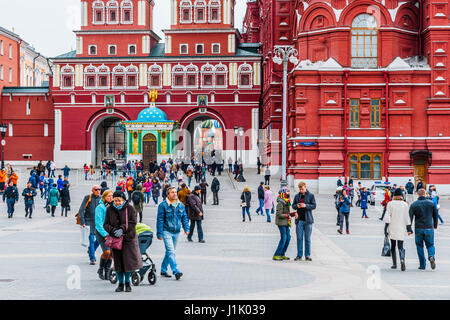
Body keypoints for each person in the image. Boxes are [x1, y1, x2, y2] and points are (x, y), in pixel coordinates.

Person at [104, 190, 142, 292]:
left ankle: (127, 283)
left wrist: (122, 229)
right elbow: (106, 224)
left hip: (128, 239)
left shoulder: (130, 208)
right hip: (115, 240)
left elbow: (133, 222)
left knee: (128, 263)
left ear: (124, 200)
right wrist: (113, 230)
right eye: (115, 200)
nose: (117, 202)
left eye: (119, 200)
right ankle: (120, 284)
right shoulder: (110, 209)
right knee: (118, 263)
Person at [156, 187, 190, 280]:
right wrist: (159, 233)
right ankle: (176, 271)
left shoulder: (180, 205)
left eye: (175, 192)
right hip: (166, 231)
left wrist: (186, 228)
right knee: (171, 251)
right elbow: (160, 219)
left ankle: (163, 270)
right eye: (172, 192)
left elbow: (184, 218)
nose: (174, 194)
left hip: (176, 232)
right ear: (168, 194)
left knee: (170, 252)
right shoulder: (163, 205)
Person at [409, 189, 438, 270]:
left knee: (419, 246)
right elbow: (435, 215)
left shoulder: (414, 204)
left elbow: (410, 218)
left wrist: (409, 228)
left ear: (418, 194)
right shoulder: (431, 203)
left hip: (418, 228)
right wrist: (435, 225)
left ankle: (422, 264)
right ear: (425, 194)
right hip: (429, 227)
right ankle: (431, 256)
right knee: (430, 245)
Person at [384, 188, 413, 271]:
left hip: (392, 227)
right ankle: (402, 260)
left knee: (393, 246)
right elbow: (407, 217)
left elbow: (388, 216)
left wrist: (385, 227)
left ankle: (394, 264)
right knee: (400, 246)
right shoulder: (405, 204)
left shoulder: (390, 204)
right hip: (401, 227)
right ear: (401, 195)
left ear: (394, 195)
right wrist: (409, 228)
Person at [292, 181, 317, 261]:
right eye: (300, 189)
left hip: (308, 220)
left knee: (307, 238)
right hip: (299, 220)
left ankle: (307, 255)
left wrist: (306, 205)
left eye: (302, 189)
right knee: (299, 238)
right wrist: (297, 206)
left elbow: (314, 206)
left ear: (305, 187)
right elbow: (293, 206)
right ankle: (299, 255)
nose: (301, 191)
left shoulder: (311, 195)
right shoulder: (297, 196)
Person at [79, 186, 102, 265]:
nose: (98, 191)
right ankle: (92, 258)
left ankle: (90, 250)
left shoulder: (102, 198)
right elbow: (81, 210)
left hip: (99, 223)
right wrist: (82, 221)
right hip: (89, 222)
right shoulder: (87, 197)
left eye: (99, 189)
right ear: (92, 190)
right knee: (91, 240)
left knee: (99, 240)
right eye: (96, 190)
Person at [95, 190, 114, 280]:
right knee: (107, 252)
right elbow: (98, 224)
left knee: (111, 253)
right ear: (104, 197)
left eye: (112, 196)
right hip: (101, 232)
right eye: (109, 196)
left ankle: (107, 271)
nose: (111, 198)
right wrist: (105, 234)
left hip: (111, 232)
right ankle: (101, 268)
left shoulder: (112, 206)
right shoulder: (100, 207)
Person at [273, 187, 294, 261]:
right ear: (283, 193)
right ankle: (277, 254)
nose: (289, 194)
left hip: (286, 223)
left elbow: (287, 213)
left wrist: (293, 214)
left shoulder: (286, 201)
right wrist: (288, 215)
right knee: (284, 238)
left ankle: (282, 254)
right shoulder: (280, 203)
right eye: (287, 192)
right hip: (281, 223)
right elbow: (279, 214)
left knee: (288, 238)